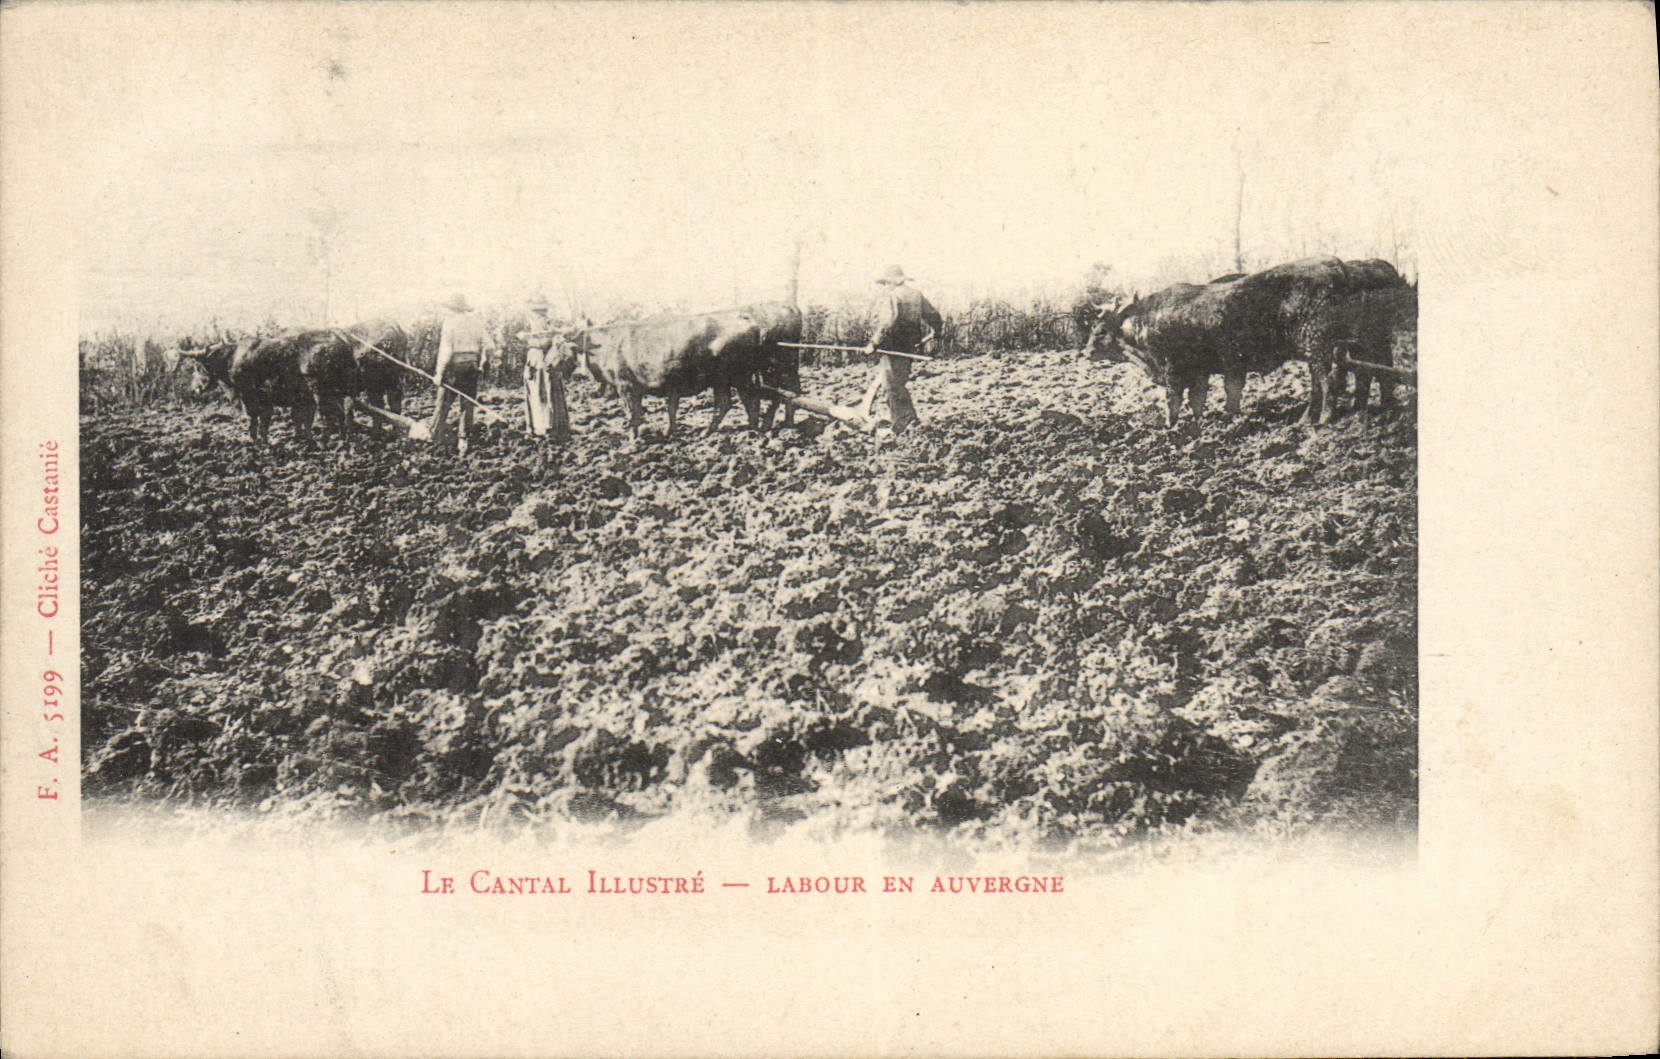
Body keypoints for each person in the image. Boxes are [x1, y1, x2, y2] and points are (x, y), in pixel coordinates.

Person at [858, 265, 942, 435]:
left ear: (890, 282)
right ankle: (908, 422)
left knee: (892, 386)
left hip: (893, 347)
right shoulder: (916, 295)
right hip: (910, 346)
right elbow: (934, 317)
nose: (884, 287)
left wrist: (873, 344)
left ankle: (903, 426)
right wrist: (935, 333)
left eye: (885, 284)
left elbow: (886, 323)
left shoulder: (892, 296)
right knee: (898, 383)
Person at [430, 293, 495, 455]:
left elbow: (446, 350)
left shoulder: (450, 323)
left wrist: (439, 373)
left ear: (451, 308)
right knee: (467, 404)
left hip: (454, 366)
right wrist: (483, 363)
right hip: (471, 366)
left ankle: (434, 436)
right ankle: (463, 440)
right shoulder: (476, 322)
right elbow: (489, 346)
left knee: (443, 403)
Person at [522, 295, 570, 442]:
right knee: (546, 391)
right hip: (539, 359)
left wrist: (529, 339)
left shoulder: (545, 323)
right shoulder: (537, 323)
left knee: (543, 392)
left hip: (542, 359)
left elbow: (546, 342)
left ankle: (545, 427)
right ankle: (552, 426)